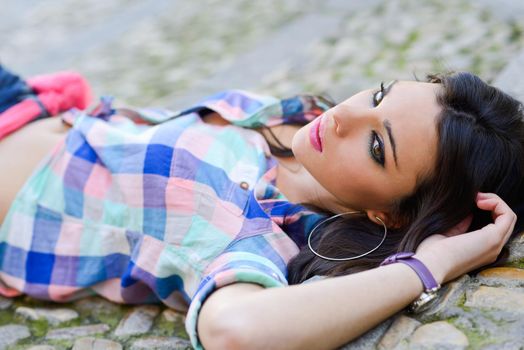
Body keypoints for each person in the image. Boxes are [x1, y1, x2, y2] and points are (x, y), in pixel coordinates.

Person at [0, 68, 522, 350]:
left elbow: (238, 332)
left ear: (393, 215)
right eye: (380, 96)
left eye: (377, 147)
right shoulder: (305, 128)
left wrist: (426, 267)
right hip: (27, 103)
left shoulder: (259, 228)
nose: (344, 117)